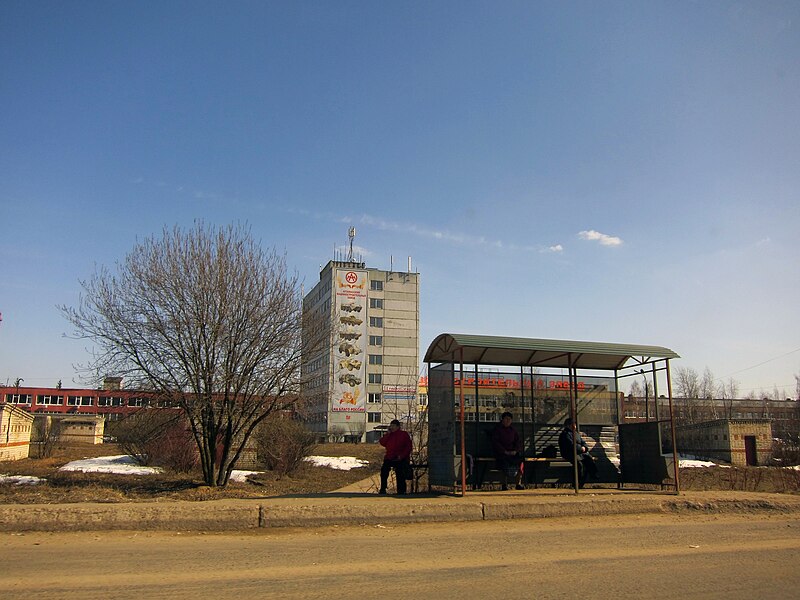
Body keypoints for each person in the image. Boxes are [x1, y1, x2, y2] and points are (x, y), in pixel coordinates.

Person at [558, 417, 598, 488]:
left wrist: (585, 448)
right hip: (569, 453)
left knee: (588, 461)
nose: (575, 426)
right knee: (579, 465)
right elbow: (570, 445)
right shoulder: (565, 434)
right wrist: (581, 449)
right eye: (573, 424)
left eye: (575, 424)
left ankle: (592, 475)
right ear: (568, 425)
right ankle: (576, 484)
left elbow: (583, 442)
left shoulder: (576, 434)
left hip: (579, 453)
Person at [379, 419, 413, 495]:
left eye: (393, 426)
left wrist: (402, 456)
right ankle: (383, 488)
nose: (392, 427)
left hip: (400, 457)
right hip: (390, 457)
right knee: (384, 471)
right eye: (391, 426)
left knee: (400, 472)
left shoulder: (403, 434)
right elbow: (382, 442)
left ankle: (401, 490)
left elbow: (408, 447)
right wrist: (387, 434)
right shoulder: (389, 435)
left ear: (398, 427)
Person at [491, 411, 524, 490]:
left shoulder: (513, 430)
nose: (508, 421)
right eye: (506, 419)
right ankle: (504, 485)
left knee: (521, 462)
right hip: (501, 453)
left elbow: (518, 442)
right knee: (503, 464)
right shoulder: (497, 430)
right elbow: (495, 442)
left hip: (512, 452)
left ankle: (518, 483)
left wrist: (515, 451)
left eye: (509, 419)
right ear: (502, 420)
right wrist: (504, 451)